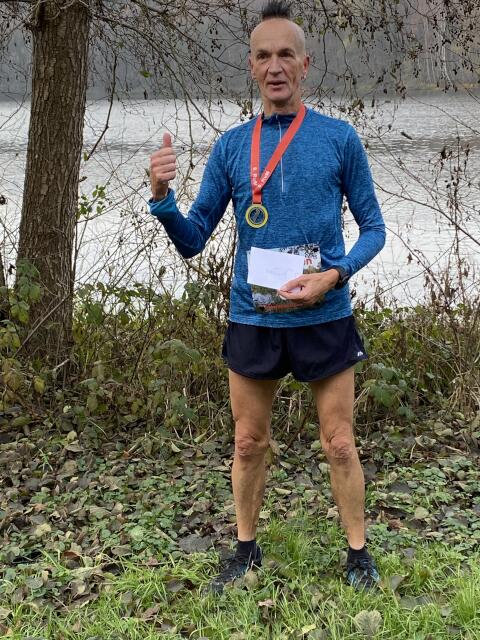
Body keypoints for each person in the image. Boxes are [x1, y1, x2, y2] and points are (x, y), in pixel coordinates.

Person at [148, 0, 386, 593]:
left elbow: (375, 229)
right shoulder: (233, 147)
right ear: (252, 67)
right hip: (253, 317)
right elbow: (193, 240)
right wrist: (161, 198)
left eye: (285, 55)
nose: (274, 66)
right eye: (263, 56)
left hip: (325, 314)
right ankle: (245, 550)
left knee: (340, 443)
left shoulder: (339, 139)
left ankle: (359, 557)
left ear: (305, 64)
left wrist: (335, 275)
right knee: (248, 441)